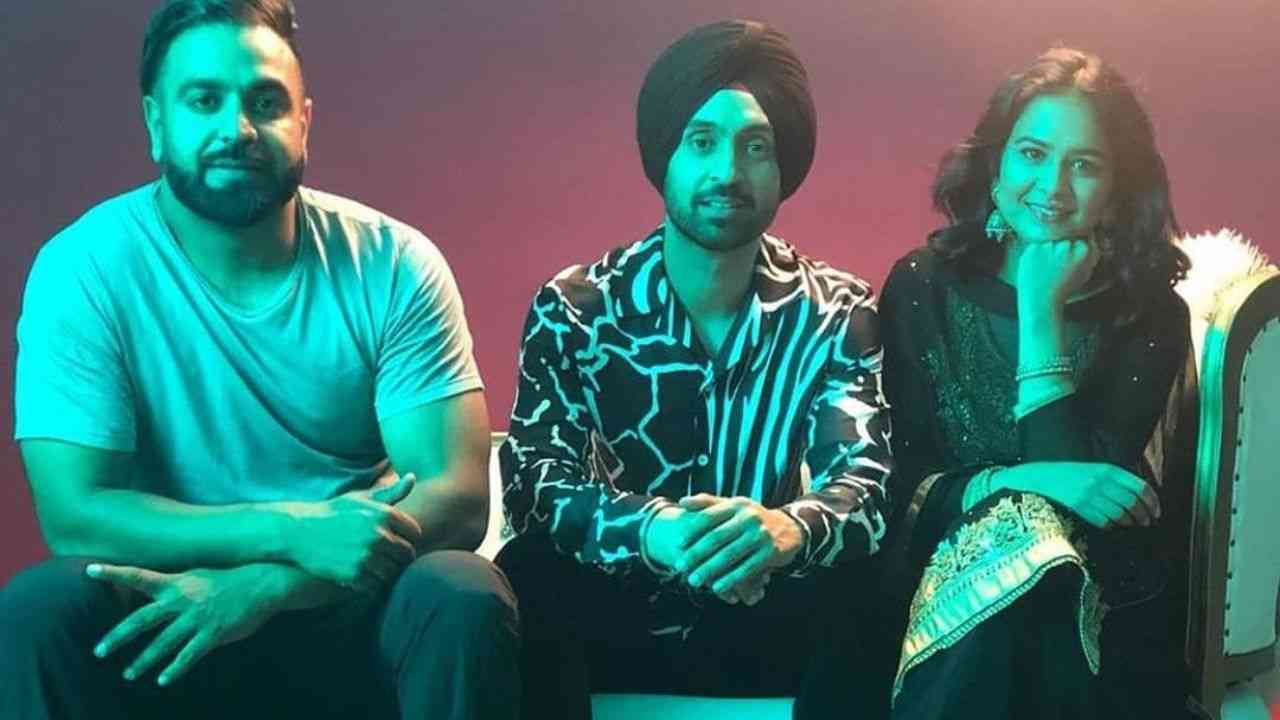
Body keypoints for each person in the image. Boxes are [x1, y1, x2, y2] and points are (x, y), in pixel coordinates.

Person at [0, 2, 518, 719]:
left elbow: (456, 495)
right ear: (156, 121)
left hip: (347, 601)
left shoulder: (393, 263)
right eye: (204, 100)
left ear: (303, 121)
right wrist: (288, 530)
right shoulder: (82, 270)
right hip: (171, 610)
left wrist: (270, 585)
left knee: (459, 593)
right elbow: (77, 513)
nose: (237, 129)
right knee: (40, 609)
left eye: (265, 102)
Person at [495, 19, 894, 720]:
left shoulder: (837, 309)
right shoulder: (577, 308)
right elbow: (535, 485)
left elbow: (864, 481)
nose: (728, 173)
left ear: (783, 165)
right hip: (616, 609)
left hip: (766, 604)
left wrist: (786, 531)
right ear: (666, 156)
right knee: (527, 572)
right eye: (702, 142)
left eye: (756, 147)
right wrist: (655, 532)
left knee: (873, 585)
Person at [877, 47, 1200, 719]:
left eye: (1084, 165)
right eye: (1031, 154)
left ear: (1117, 188)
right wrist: (1020, 482)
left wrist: (1040, 311)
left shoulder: (1149, 314)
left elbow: (1082, 513)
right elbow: (902, 486)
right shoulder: (922, 286)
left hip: (1087, 605)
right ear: (995, 168)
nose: (1052, 185)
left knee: (1038, 555)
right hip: (931, 596)